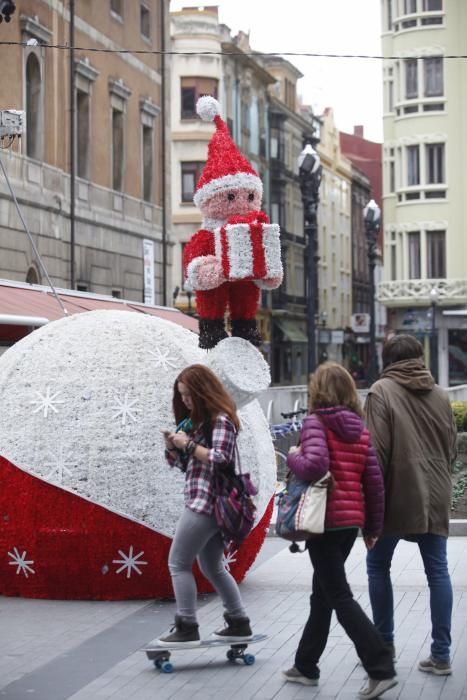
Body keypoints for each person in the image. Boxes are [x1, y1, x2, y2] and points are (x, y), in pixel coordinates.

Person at [282, 362, 397, 699]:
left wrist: (293, 455)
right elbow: (374, 484)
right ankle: (305, 664)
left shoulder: (316, 422)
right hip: (348, 524)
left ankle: (381, 666)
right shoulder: (359, 429)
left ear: (317, 390)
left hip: (324, 522)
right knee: (324, 594)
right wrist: (372, 527)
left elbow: (314, 465)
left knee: (338, 595)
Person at [364, 334, 457, 676]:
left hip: (395, 494)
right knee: (438, 572)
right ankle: (442, 655)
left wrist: (371, 507)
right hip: (435, 492)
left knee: (377, 566)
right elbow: (451, 449)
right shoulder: (441, 394)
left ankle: (384, 647)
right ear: (419, 357)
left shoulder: (381, 392)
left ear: (386, 359)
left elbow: (375, 453)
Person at [157, 364, 253, 647]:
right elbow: (183, 465)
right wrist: (173, 447)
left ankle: (186, 624)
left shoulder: (220, 420)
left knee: (177, 563)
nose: (185, 401)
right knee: (212, 567)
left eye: (188, 395)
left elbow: (221, 458)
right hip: (202, 498)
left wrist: (187, 446)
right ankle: (238, 622)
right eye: (181, 395)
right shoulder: (196, 423)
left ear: (202, 392)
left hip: (206, 503)